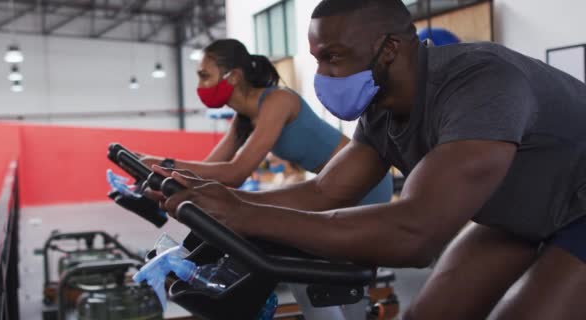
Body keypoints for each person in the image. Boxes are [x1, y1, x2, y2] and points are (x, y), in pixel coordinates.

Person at [153, 0, 586, 319]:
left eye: (333, 57)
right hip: (524, 213)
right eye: (318, 59)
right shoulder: (381, 110)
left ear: (390, 48)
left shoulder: (481, 83)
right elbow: (326, 190)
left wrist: (245, 216)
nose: (323, 75)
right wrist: (225, 205)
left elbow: (415, 235)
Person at [140, 38, 393, 206]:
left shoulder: (279, 101)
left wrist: (161, 164)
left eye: (205, 76)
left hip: (365, 180)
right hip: (332, 183)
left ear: (234, 76)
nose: (200, 86)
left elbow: (236, 171)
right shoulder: (244, 119)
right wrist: (167, 183)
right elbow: (210, 168)